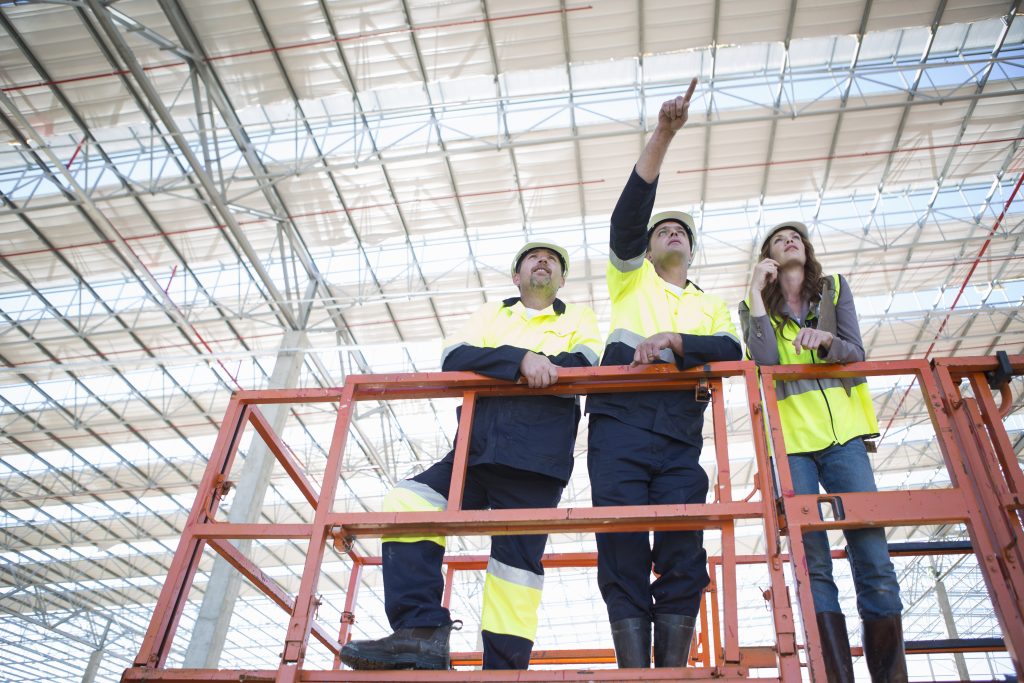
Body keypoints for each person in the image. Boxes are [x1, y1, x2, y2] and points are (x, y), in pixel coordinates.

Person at [340, 242, 601, 671]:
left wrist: (510, 364)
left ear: (561, 280)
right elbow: (454, 357)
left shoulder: (579, 318)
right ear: (516, 277)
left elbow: (584, 361)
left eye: (552, 260)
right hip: (475, 450)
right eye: (533, 258)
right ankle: (420, 633)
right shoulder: (491, 314)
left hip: (537, 456)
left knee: (515, 568)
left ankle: (504, 670)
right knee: (409, 500)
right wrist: (522, 360)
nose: (543, 262)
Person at [585, 78, 742, 669]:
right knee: (621, 543)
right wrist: (664, 134)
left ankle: (671, 672)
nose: (671, 231)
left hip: (680, 433)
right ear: (646, 251)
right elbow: (628, 217)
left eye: (682, 231)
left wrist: (677, 341)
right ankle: (635, 674)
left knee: (684, 545)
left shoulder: (710, 305)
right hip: (619, 424)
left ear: (692, 252)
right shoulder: (631, 279)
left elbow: (730, 350)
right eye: (661, 231)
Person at [739, 221, 907, 683]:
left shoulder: (833, 291)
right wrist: (756, 291)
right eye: (778, 238)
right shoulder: (753, 308)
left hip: (845, 440)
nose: (789, 239)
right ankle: (835, 677)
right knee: (812, 565)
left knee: (872, 557)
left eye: (795, 236)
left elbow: (856, 350)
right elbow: (764, 362)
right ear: (769, 258)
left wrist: (829, 341)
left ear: (806, 249)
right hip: (791, 446)